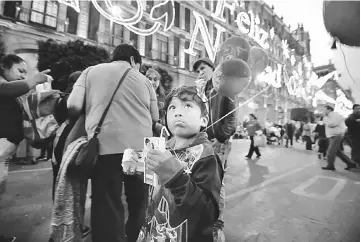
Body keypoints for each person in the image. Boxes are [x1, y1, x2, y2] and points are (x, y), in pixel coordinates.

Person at [67, 44, 159, 242]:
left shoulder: (90, 72)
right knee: (139, 202)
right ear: (134, 60)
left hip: (104, 148)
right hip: (140, 149)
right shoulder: (145, 81)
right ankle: (136, 236)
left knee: (107, 203)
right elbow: (155, 116)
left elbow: (73, 105)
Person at [140, 86, 222, 242]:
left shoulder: (206, 156)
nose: (178, 112)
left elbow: (208, 212)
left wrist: (176, 177)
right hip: (156, 231)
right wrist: (141, 169)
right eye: (172, 107)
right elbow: (155, 190)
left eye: (188, 106)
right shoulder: (163, 148)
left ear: (203, 120)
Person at [0, 54, 50, 242]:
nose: (23, 76)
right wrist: (33, 80)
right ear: (4, 67)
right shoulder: (4, 85)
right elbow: (6, 89)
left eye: (25, 73)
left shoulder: (12, 90)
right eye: (20, 71)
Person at [193, 57, 236, 239]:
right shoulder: (206, 91)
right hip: (206, 141)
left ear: (213, 68)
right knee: (206, 181)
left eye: (203, 68)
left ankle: (217, 223)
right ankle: (207, 219)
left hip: (219, 142)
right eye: (198, 71)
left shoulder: (224, 87)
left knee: (218, 183)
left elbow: (233, 118)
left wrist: (220, 138)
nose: (200, 72)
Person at [322, 104, 357, 171]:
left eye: (324, 109)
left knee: (330, 151)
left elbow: (332, 124)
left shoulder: (334, 115)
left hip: (337, 135)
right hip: (333, 135)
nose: (323, 111)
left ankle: (330, 165)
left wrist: (325, 119)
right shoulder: (329, 116)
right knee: (338, 152)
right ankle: (351, 163)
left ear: (329, 109)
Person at [145, 68, 166, 136]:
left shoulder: (163, 97)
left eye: (155, 79)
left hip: (161, 133)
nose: (152, 82)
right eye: (150, 79)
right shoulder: (142, 95)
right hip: (147, 131)